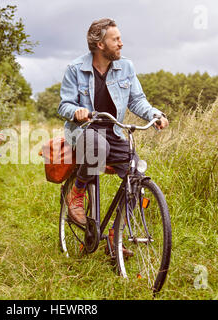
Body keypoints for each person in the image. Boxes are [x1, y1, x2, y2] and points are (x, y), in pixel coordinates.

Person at [58, 18, 169, 226]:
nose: (121, 43)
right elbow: (64, 106)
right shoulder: (75, 69)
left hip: (114, 132)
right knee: (97, 145)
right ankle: (77, 192)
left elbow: (137, 100)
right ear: (100, 45)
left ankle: (115, 235)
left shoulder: (126, 66)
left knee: (136, 175)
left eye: (120, 38)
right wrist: (77, 111)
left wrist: (154, 115)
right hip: (84, 130)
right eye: (115, 39)